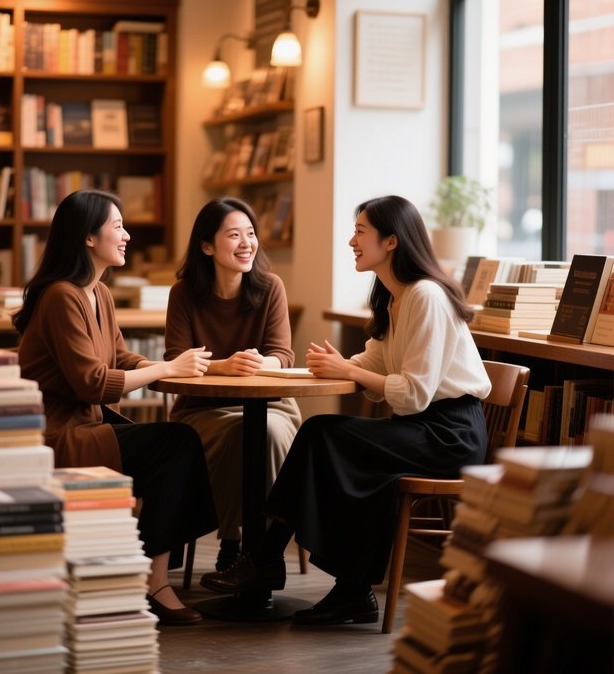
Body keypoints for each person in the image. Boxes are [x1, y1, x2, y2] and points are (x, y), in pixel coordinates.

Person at [200, 194, 491, 625]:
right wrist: (324, 368)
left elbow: (413, 393)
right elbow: (373, 364)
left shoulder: (425, 296)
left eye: (360, 231)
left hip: (448, 437)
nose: (351, 240)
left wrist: (346, 370)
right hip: (422, 429)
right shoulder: (396, 296)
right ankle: (345, 588)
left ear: (391, 241)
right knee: (331, 443)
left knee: (324, 435)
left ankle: (266, 559)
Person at [15, 189, 218, 626]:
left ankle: (147, 576)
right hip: (59, 434)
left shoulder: (98, 294)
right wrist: (169, 366)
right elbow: (92, 383)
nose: (127, 236)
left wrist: (178, 367)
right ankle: (151, 580)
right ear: (89, 238)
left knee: (179, 444)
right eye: (118, 226)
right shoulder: (61, 297)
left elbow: (121, 359)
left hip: (88, 424)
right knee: (177, 445)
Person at [164, 197, 301, 571]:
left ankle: (264, 551)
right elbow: (175, 361)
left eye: (251, 233)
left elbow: (283, 356)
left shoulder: (271, 287)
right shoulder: (184, 294)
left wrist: (260, 362)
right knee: (240, 434)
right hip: (202, 409)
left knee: (267, 432)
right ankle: (234, 539)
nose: (247, 243)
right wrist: (224, 366)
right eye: (234, 235)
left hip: (271, 405)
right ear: (207, 246)